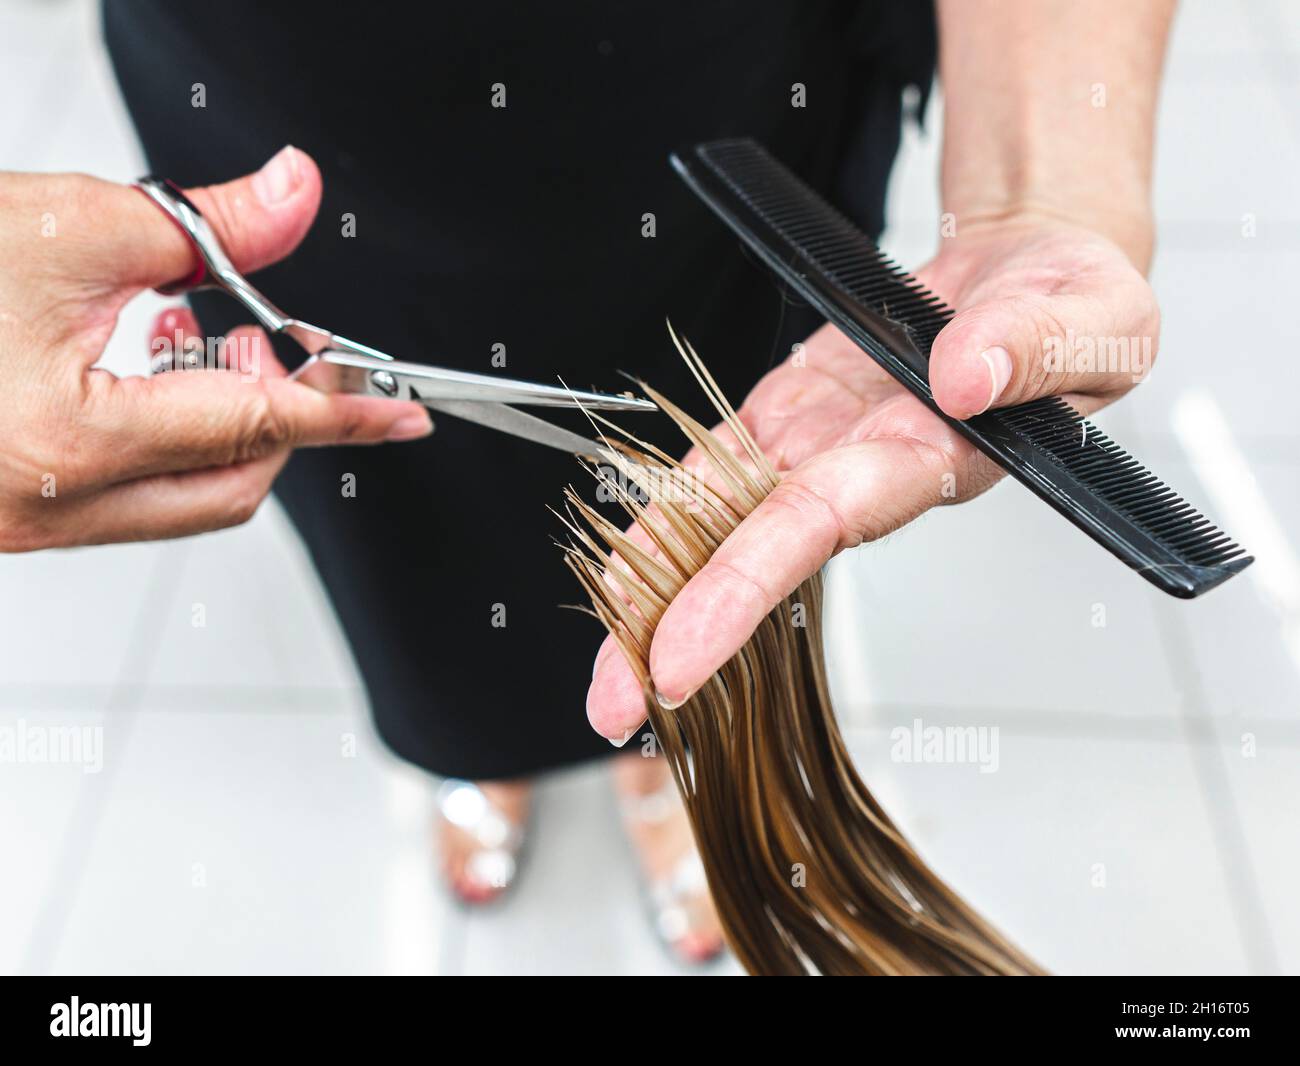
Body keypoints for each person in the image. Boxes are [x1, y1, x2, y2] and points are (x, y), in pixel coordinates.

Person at [0, 0, 1171, 964]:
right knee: (399, 510)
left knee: (722, 495)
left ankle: (659, 757)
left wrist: (1040, 188)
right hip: (292, 117)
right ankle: (482, 746)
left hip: (710, 113)